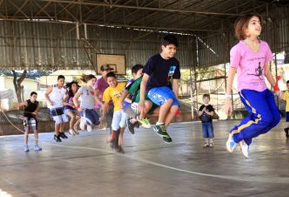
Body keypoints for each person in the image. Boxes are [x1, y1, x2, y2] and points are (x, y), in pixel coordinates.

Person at [223, 14, 281, 158]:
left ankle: (246, 139)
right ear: (245, 29)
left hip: (263, 89)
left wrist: (276, 87)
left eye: (259, 22)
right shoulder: (238, 49)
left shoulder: (265, 46)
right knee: (264, 118)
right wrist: (228, 98)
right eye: (253, 22)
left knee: (275, 119)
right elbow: (231, 73)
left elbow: (266, 70)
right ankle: (235, 135)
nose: (258, 25)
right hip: (248, 89)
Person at [139, 34, 181, 144]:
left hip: (166, 88)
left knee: (175, 105)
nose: (173, 51)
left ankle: (163, 130)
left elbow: (175, 82)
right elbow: (143, 81)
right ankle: (159, 124)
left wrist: (177, 98)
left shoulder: (175, 63)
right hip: (152, 89)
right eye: (170, 48)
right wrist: (142, 100)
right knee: (168, 100)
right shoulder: (153, 60)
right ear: (163, 47)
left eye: (175, 49)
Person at [101, 72, 127, 153]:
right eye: (109, 81)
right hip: (116, 109)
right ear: (107, 82)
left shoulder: (123, 85)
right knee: (114, 125)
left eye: (113, 80)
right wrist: (103, 115)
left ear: (116, 79)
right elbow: (105, 104)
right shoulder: (107, 91)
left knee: (122, 123)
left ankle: (121, 136)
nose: (112, 82)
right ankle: (113, 136)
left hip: (126, 107)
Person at [45, 75, 69, 142]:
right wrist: (49, 101)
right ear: (58, 81)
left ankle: (61, 132)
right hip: (53, 107)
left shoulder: (64, 88)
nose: (62, 82)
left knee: (65, 119)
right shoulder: (52, 87)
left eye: (63, 81)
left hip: (60, 106)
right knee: (58, 121)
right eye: (61, 81)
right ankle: (56, 135)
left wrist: (65, 98)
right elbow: (46, 94)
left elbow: (67, 95)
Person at [95, 64, 114, 131]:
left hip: (112, 104)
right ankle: (113, 138)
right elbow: (95, 96)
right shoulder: (99, 82)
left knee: (116, 123)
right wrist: (102, 105)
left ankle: (114, 138)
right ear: (101, 72)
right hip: (103, 105)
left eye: (109, 70)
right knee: (112, 123)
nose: (108, 71)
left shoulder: (112, 80)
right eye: (106, 70)